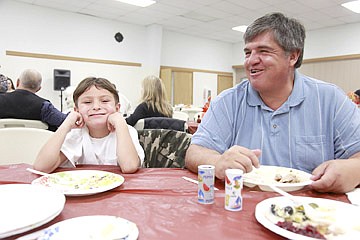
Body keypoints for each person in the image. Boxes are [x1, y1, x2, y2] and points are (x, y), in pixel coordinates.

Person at [185, 12, 360, 194]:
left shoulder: (331, 99)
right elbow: (195, 151)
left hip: (311, 211)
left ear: (292, 56)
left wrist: (354, 170)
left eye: (263, 51)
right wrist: (217, 162)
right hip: (241, 206)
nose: (251, 60)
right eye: (248, 52)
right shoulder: (228, 101)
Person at [33, 77, 144, 173]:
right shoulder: (76, 134)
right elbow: (41, 167)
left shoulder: (126, 131)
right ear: (77, 110)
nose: (96, 107)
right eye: (87, 102)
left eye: (105, 101)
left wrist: (120, 122)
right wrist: (66, 124)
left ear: (117, 108)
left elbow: (129, 167)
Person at [0, 69, 67, 131]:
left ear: (17, 82)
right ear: (39, 89)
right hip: (37, 143)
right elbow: (65, 121)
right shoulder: (44, 106)